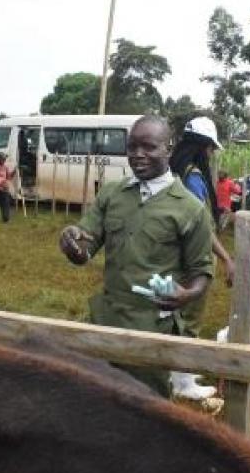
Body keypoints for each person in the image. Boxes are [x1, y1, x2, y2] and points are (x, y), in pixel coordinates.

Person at [59, 115, 214, 398]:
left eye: (149, 147)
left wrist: (186, 295)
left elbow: (202, 273)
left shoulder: (190, 209)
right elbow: (84, 247)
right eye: (132, 147)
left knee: (146, 408)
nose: (138, 155)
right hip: (105, 322)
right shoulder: (112, 195)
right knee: (95, 400)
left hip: (152, 331)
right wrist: (71, 242)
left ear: (169, 148)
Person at [169, 116, 234, 286]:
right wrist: (226, 258)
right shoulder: (192, 178)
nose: (211, 154)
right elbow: (201, 225)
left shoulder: (171, 171)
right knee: (188, 309)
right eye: (211, 148)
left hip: (169, 254)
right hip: (192, 261)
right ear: (202, 147)